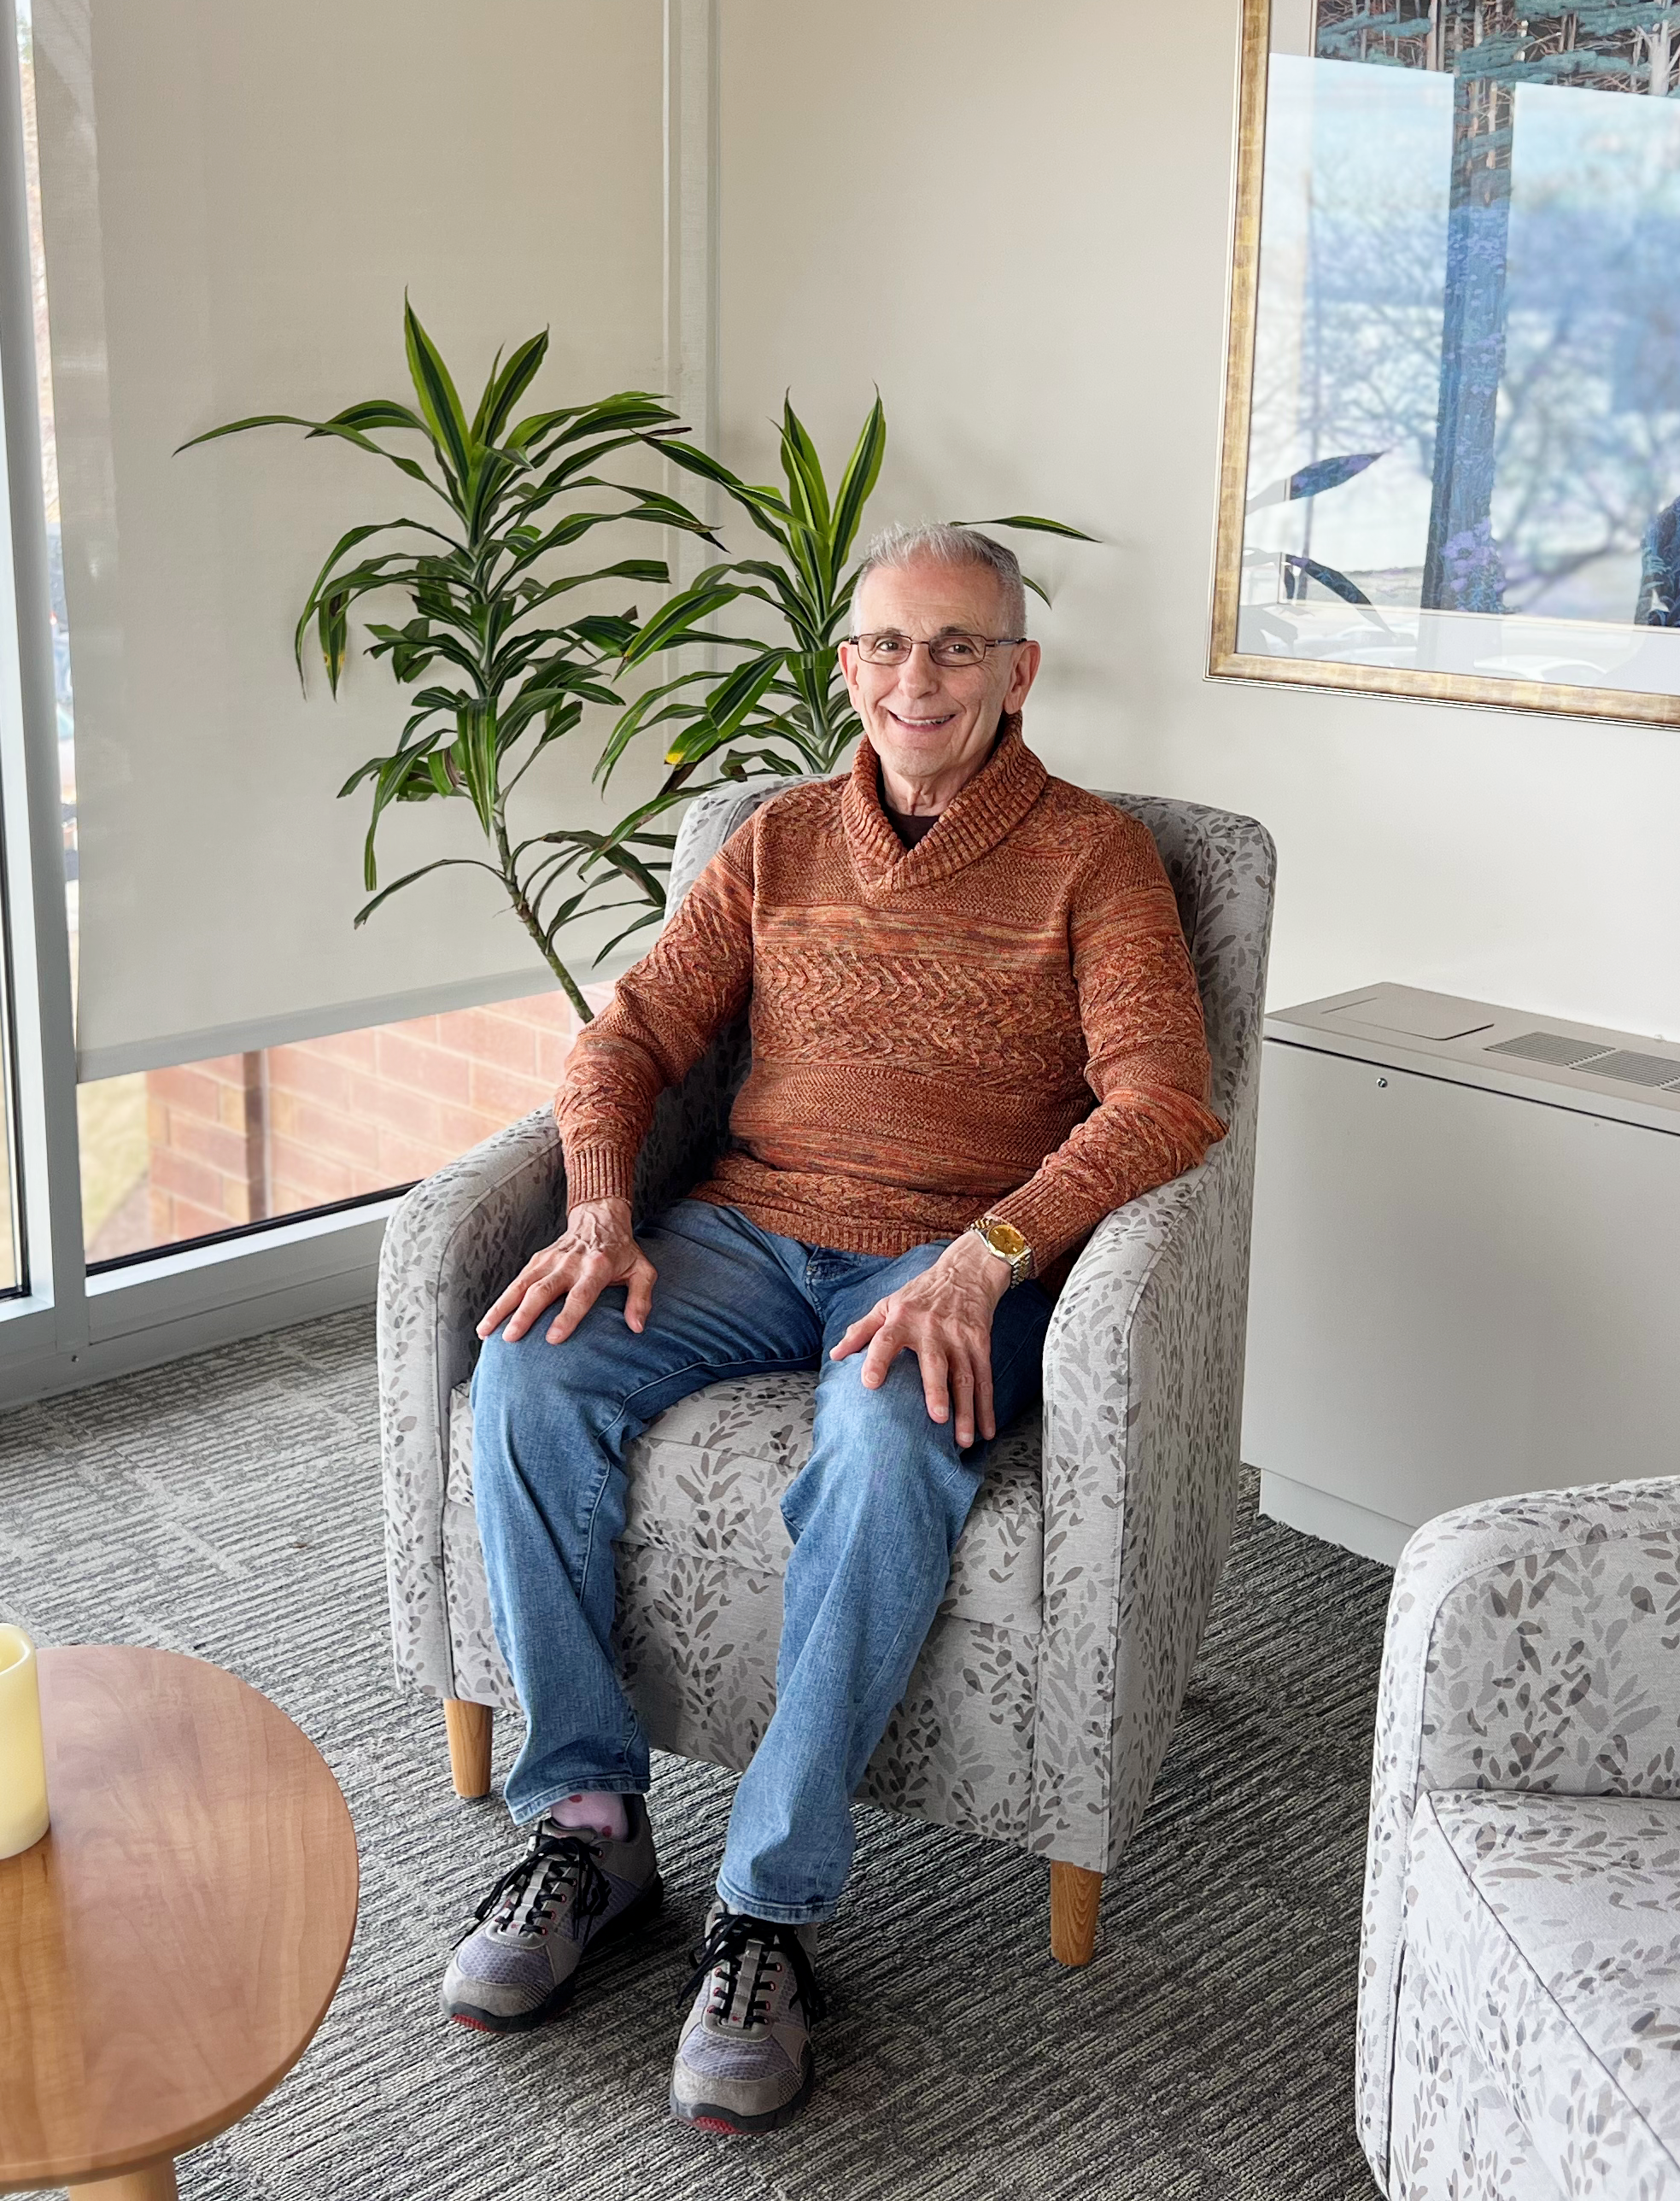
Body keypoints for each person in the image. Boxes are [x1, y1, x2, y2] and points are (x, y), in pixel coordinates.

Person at [440, 522, 1226, 2134]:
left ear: (1017, 674)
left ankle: (767, 1912)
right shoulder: (779, 837)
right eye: (881, 646)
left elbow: (1166, 1103)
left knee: (881, 1442)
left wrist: (987, 1254)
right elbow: (633, 1032)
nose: (911, 679)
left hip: (943, 1268)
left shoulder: (1094, 859)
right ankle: (589, 1828)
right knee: (526, 1369)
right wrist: (598, 1206)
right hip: (741, 1232)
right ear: (844, 665)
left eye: (952, 648)